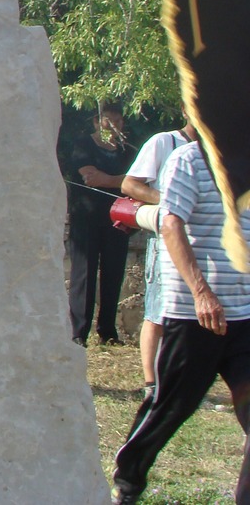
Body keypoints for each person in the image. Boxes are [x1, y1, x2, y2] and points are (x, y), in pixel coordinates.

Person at [111, 142, 250, 504]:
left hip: (245, 316)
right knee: (170, 408)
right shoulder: (190, 159)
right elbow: (171, 223)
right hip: (194, 315)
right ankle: (128, 481)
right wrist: (201, 292)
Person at [120, 119, 197, 398]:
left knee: (190, 315)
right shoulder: (164, 142)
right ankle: (151, 384)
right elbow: (130, 184)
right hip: (166, 241)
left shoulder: (212, 149)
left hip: (200, 245)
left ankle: (182, 382)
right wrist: (167, 199)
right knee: (158, 312)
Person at [66, 103, 135, 346]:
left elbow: (139, 180)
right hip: (86, 218)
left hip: (118, 220)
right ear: (97, 122)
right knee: (84, 273)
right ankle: (78, 332)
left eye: (118, 120)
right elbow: (90, 177)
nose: (113, 125)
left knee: (113, 273)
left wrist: (113, 180)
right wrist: (122, 181)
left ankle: (108, 331)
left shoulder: (126, 151)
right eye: (108, 120)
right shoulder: (83, 144)